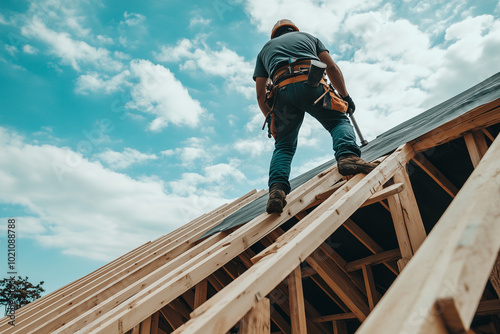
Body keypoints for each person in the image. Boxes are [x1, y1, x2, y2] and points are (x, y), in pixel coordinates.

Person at [253, 19, 379, 214]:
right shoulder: (309, 38)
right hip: (311, 83)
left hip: (282, 93)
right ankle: (347, 157)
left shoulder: (264, 50)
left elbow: (261, 94)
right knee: (338, 121)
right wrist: (345, 97)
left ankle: (277, 190)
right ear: (294, 29)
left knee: (284, 146)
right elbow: (331, 68)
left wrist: (271, 119)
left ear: (274, 34)